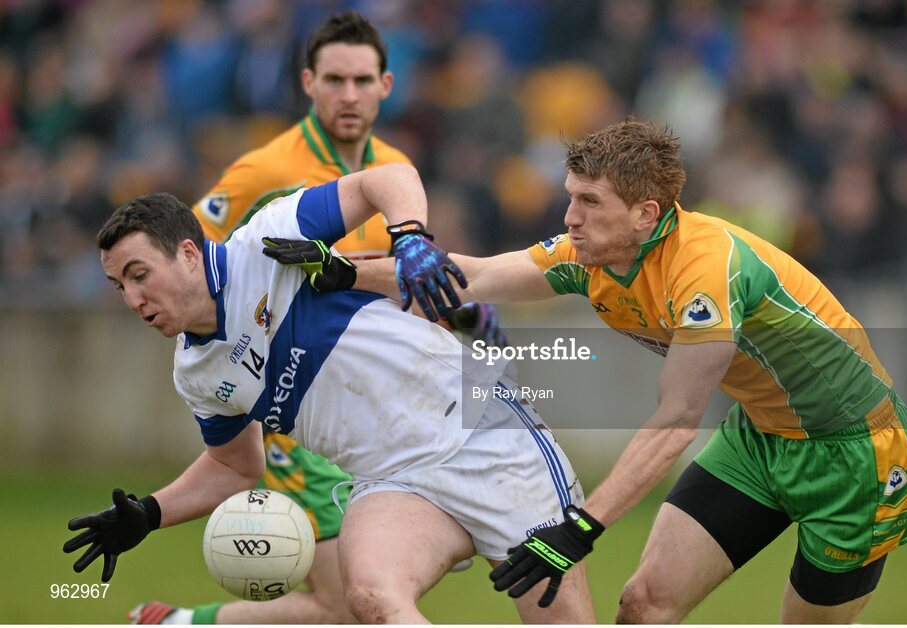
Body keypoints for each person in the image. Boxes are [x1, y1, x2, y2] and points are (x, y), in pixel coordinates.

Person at [335, 118, 907, 623]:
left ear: (645, 213)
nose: (569, 217)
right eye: (571, 197)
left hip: (855, 457)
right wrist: (342, 270)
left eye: (589, 203)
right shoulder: (594, 255)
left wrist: (579, 527)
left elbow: (678, 418)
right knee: (642, 606)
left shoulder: (705, 269)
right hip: (759, 439)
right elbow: (476, 275)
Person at [64, 163, 594, 624]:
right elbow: (234, 466)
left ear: (186, 253)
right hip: (395, 481)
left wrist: (409, 239)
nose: (133, 299)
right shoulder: (196, 373)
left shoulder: (266, 242)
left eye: (140, 275)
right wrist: (150, 513)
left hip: (482, 435)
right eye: (121, 286)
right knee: (370, 597)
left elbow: (388, 178)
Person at [131, 11, 502, 624]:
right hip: (296, 418)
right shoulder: (265, 172)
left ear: (387, 84)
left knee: (353, 603)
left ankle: (176, 623)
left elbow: (405, 275)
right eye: (334, 79)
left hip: (379, 402)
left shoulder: (393, 168)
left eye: (362, 80)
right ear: (308, 82)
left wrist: (453, 319)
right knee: (357, 602)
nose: (348, 95)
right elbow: (185, 262)